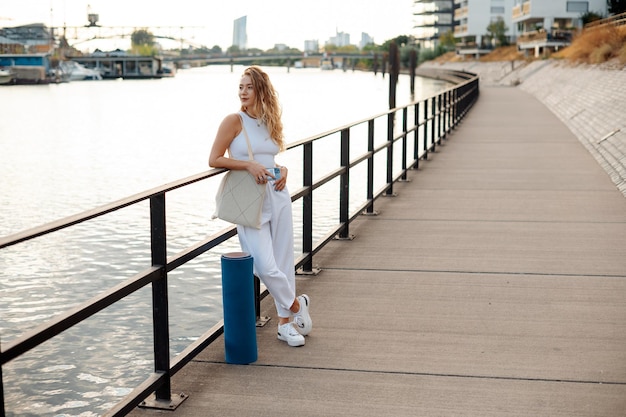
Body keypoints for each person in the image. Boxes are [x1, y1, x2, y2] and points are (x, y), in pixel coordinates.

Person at [209, 66, 312, 347]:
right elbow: (215, 159)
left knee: (281, 260)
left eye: (248, 87)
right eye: (240, 87)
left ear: (261, 90)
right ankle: (295, 306)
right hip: (249, 200)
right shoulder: (234, 120)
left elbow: (269, 159)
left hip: (277, 193)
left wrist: (283, 169)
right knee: (265, 266)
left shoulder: (269, 121)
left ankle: (285, 326)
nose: (243, 92)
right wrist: (248, 165)